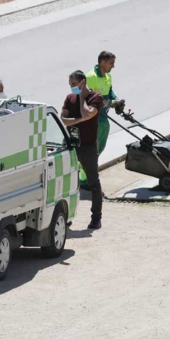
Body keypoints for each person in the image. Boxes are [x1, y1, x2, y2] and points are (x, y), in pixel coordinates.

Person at [61, 70, 104, 230]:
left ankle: (96, 218)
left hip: (88, 146)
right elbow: (64, 119)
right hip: (72, 146)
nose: (72, 88)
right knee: (67, 183)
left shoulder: (96, 98)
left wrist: (81, 98)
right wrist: (80, 120)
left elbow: (88, 113)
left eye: (74, 84)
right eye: (70, 85)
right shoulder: (69, 98)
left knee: (93, 182)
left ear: (82, 82)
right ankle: (67, 216)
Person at [84, 51, 122, 188]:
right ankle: (84, 178)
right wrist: (104, 102)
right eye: (111, 63)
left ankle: (88, 173)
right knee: (91, 149)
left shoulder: (108, 76)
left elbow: (110, 91)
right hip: (92, 119)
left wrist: (116, 100)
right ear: (103, 63)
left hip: (103, 118)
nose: (113, 66)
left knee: (100, 147)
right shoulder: (90, 77)